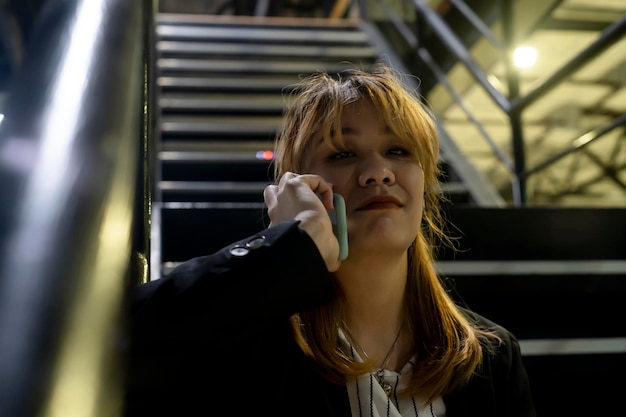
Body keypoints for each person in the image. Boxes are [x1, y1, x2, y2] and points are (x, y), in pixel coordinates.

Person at [122, 62, 536, 417]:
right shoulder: (243, 343)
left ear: (424, 182)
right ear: (299, 184)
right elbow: (113, 334)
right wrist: (285, 248)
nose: (378, 172)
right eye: (342, 154)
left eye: (398, 151)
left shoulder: (492, 358)